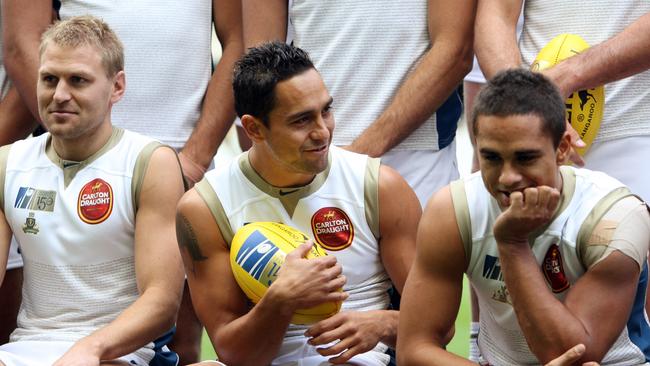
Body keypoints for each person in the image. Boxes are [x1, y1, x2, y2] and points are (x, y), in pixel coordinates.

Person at [2, 1, 244, 361]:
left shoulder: (151, 163)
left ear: (117, 87)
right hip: (26, 350)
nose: (60, 95)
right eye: (49, 79)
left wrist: (89, 349)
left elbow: (162, 303)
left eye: (78, 80)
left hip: (123, 354)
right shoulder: (9, 163)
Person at [177, 42, 421, 365]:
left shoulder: (378, 187)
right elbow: (234, 353)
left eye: (326, 111)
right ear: (253, 128)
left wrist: (384, 323)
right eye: (302, 121)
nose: (323, 132)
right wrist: (282, 297)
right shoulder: (206, 208)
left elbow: (438, 324)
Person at [397, 69, 650, 365]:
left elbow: (574, 356)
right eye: (491, 157)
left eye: (525, 158)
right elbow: (413, 349)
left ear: (562, 149)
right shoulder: (453, 209)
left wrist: (512, 243)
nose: (508, 177)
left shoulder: (614, 217)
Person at [243, 0, 473, 207]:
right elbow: (259, 68)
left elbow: (455, 51)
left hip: (415, 157)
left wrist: (352, 158)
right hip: (305, 162)